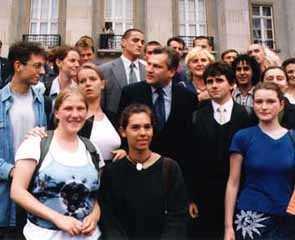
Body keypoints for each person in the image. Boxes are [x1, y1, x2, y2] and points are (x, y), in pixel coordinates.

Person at [10, 87, 104, 240]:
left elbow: (93, 197)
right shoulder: (36, 144)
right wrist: (57, 218)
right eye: (68, 108)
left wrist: (94, 216)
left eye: (80, 108)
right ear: (57, 112)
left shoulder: (92, 149)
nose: (75, 114)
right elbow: (17, 192)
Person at [99, 103, 188, 240]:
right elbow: (109, 220)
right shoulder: (112, 172)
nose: (142, 133)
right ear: (123, 131)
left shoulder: (170, 168)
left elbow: (177, 217)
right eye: (135, 128)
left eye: (147, 127)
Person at [187, 62, 250, 239]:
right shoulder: (197, 115)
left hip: (239, 195)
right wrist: (191, 197)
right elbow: (190, 158)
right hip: (204, 197)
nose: (214, 85)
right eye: (210, 81)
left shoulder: (245, 115)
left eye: (219, 80)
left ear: (232, 84)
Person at [224, 82, 295, 240]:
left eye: (270, 101)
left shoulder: (293, 138)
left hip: (287, 218)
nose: (264, 107)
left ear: (281, 104)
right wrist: (228, 227)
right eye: (259, 102)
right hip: (250, 216)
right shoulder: (243, 137)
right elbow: (233, 183)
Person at [118, 47, 197, 171]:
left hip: (175, 170)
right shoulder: (131, 92)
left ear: (171, 71)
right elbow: (122, 126)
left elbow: (189, 137)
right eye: (148, 64)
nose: (149, 70)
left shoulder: (187, 97)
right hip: (138, 167)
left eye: (157, 66)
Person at [0, 41, 47, 239]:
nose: (43, 71)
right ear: (18, 66)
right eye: (37, 66)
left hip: (35, 194)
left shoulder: (41, 100)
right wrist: (11, 171)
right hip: (4, 197)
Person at [77, 62, 126, 163]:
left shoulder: (113, 116)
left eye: (93, 79)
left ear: (102, 84)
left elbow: (126, 142)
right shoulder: (74, 118)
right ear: (78, 87)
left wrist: (124, 151)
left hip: (113, 173)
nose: (88, 83)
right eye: (82, 81)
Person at [99, 28, 146, 115]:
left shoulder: (148, 70)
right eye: (135, 40)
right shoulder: (104, 70)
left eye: (142, 42)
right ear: (123, 42)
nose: (140, 44)